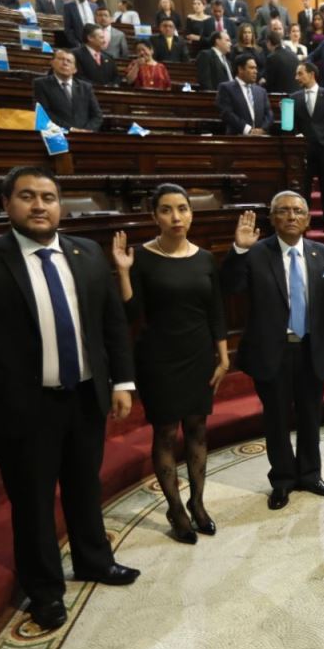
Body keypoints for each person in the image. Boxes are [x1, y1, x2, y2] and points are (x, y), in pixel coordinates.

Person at [0, 166, 139, 631]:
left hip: (84, 397)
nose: (40, 205)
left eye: (48, 197)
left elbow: (111, 323)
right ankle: (45, 589)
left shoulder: (86, 252)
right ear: (7, 204)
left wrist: (123, 382)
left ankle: (94, 560)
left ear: (60, 205)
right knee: (32, 502)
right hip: (20, 406)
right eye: (27, 196)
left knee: (85, 486)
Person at [111, 185, 227, 545]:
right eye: (166, 210)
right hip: (158, 358)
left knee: (197, 429)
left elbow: (216, 310)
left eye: (182, 209)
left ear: (191, 213)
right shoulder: (141, 257)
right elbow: (131, 314)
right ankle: (176, 510)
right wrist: (123, 272)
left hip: (198, 355)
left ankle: (198, 503)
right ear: (154, 216)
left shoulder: (204, 258)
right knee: (164, 433)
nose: (176, 217)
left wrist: (223, 356)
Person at [221, 193, 324, 510]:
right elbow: (231, 288)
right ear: (273, 218)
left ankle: (311, 475)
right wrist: (238, 250)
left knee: (310, 417)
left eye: (298, 211)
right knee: (276, 419)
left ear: (307, 219)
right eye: (284, 211)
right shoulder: (255, 253)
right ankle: (283, 480)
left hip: (312, 349)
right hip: (271, 351)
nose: (291, 216)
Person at [291, 62, 324, 231]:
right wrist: (296, 137)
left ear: (311, 74)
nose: (296, 77)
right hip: (303, 149)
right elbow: (288, 125)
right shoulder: (293, 97)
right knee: (304, 187)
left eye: (300, 73)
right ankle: (304, 220)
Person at [33, 49, 104, 132]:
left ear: (75, 69)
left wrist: (86, 131)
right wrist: (70, 129)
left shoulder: (85, 87)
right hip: (56, 134)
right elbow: (44, 113)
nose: (65, 63)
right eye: (61, 59)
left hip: (84, 135)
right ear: (52, 62)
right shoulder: (41, 84)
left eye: (69, 61)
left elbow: (97, 115)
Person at [217, 54, 274, 135]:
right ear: (240, 69)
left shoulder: (261, 91)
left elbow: (269, 114)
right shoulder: (226, 88)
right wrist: (248, 130)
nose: (256, 71)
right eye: (251, 68)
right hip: (237, 137)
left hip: (260, 137)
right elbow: (227, 113)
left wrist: (262, 129)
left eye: (256, 68)